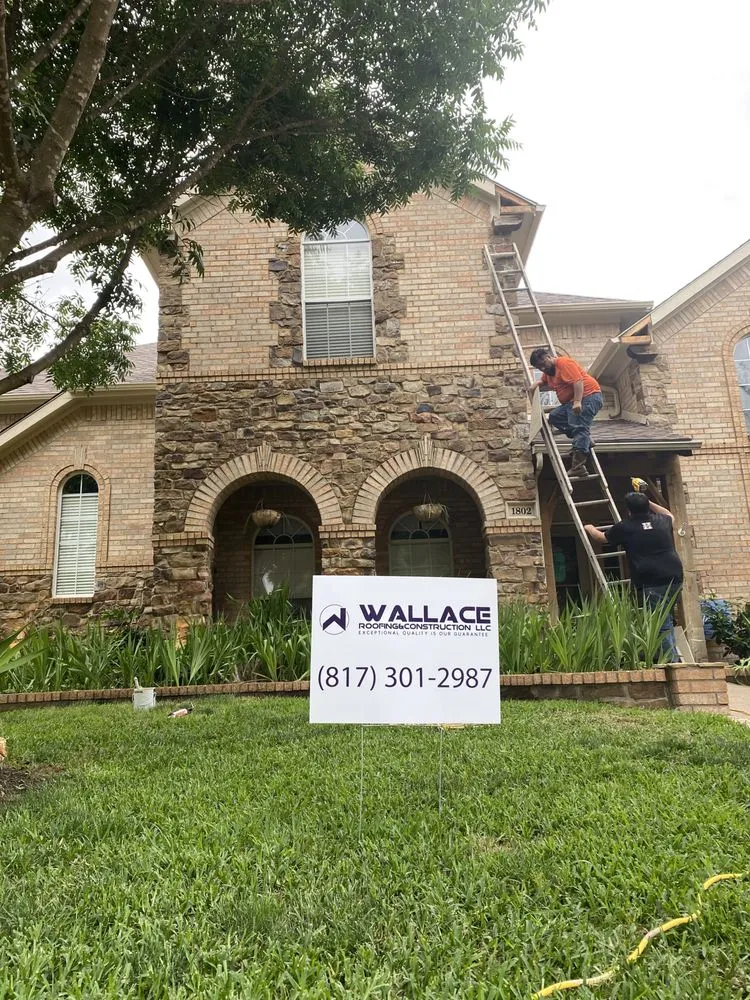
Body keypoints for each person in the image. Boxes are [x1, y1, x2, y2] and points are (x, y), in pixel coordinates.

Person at [584, 491, 684, 661]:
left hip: (651, 579)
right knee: (665, 615)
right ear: (648, 507)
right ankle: (669, 657)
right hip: (674, 576)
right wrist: (647, 500)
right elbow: (668, 514)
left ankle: (671, 662)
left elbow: (600, 537)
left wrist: (589, 527)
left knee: (659, 621)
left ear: (629, 511)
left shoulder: (626, 527)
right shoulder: (661, 521)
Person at [528, 349, 603, 476]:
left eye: (543, 364)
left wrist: (578, 401)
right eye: (538, 367)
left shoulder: (563, 363)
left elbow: (578, 381)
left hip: (588, 396)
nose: (542, 368)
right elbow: (544, 382)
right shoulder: (549, 372)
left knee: (579, 428)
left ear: (548, 357)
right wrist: (537, 383)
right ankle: (585, 440)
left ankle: (578, 467)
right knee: (555, 416)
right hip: (570, 402)